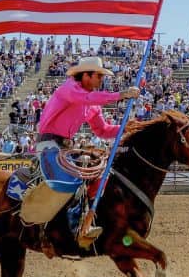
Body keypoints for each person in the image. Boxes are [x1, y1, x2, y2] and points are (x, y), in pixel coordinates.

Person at [35, 55, 139, 248]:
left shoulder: (91, 104)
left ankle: (87, 221)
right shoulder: (69, 89)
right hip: (48, 145)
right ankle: (69, 232)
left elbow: (102, 130)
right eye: (98, 76)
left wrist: (123, 128)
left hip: (65, 148)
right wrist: (121, 95)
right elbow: (87, 98)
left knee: (100, 175)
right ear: (85, 76)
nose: (101, 80)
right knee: (72, 180)